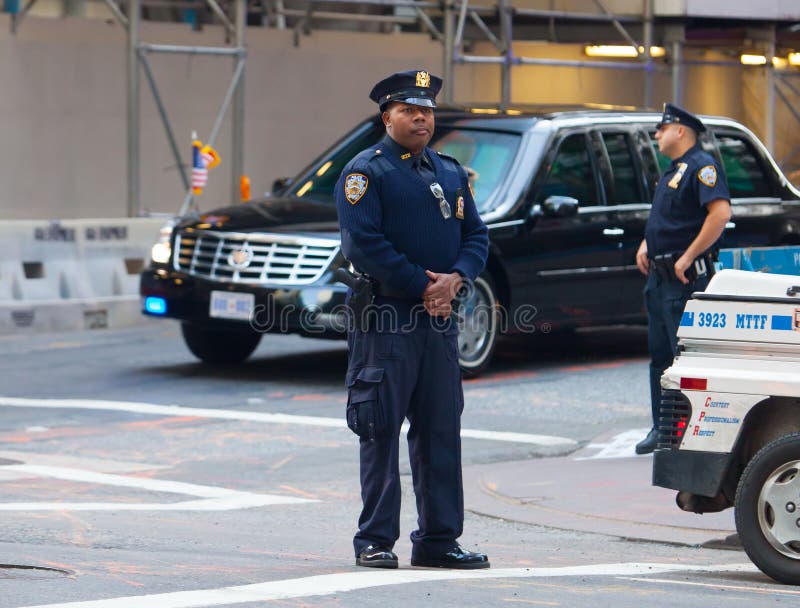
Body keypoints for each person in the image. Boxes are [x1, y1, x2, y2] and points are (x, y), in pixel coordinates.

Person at [334, 69, 490, 569]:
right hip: (387, 320)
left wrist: (454, 280)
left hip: (438, 324)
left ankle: (439, 539)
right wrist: (424, 285)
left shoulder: (447, 171)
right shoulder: (366, 173)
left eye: (426, 110)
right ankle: (375, 540)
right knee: (379, 428)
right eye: (408, 110)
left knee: (441, 428)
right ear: (387, 117)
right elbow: (364, 244)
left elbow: (477, 238)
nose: (421, 117)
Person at [634, 103, 732, 455]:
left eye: (662, 128)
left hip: (683, 278)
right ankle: (661, 429)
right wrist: (647, 243)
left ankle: (689, 431)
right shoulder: (674, 170)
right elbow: (667, 219)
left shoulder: (702, 167)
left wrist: (689, 256)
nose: (657, 135)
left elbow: (720, 214)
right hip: (659, 279)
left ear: (680, 131)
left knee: (685, 359)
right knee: (659, 357)